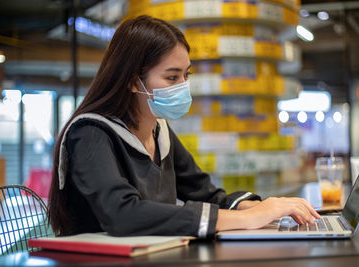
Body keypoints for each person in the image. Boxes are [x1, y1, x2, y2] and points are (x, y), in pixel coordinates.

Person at [48, 15, 320, 238]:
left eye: (185, 75)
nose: (183, 87)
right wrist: (247, 219)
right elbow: (123, 215)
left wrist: (264, 207)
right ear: (132, 81)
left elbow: (205, 194)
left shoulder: (159, 130)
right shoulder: (90, 134)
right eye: (171, 77)